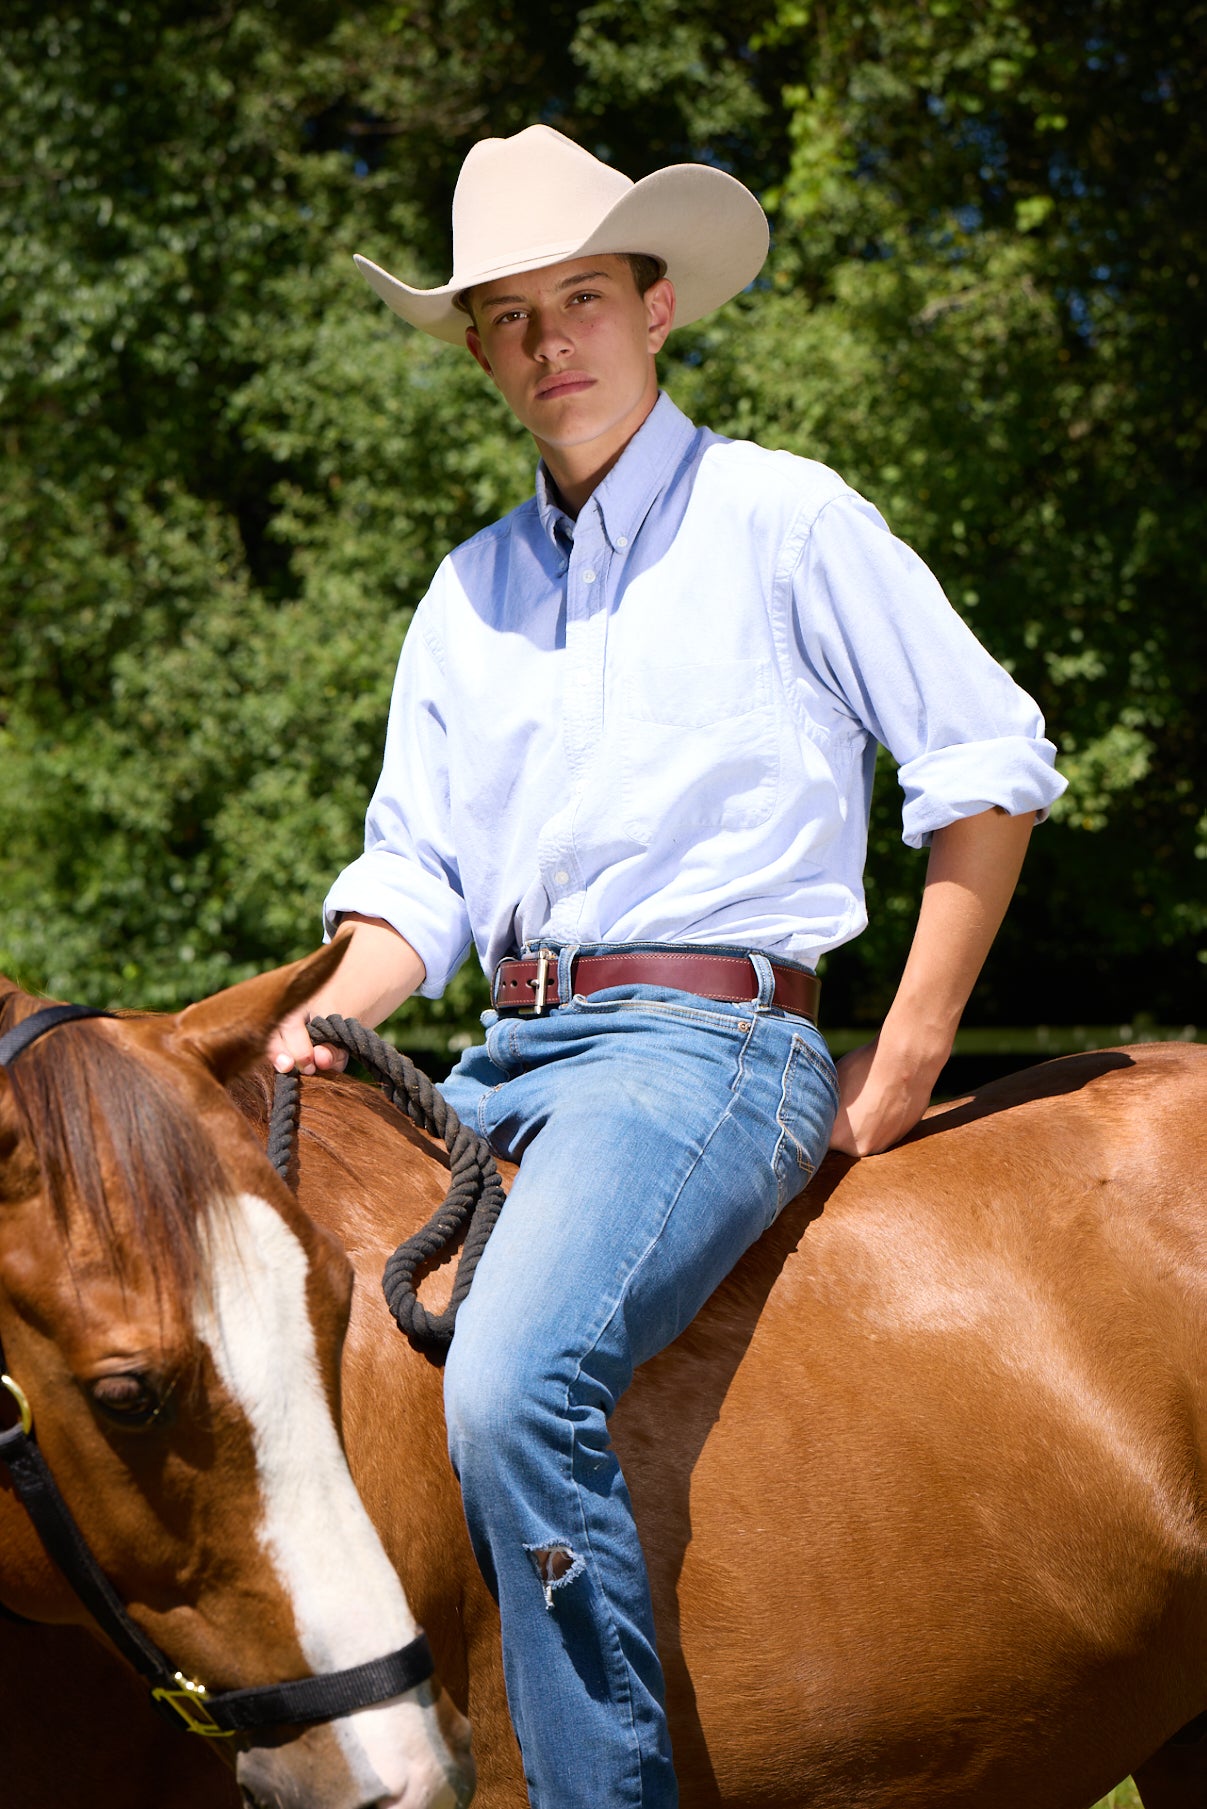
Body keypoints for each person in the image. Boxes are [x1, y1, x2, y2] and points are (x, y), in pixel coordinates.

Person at [269, 125, 1065, 1807]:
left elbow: (986, 763)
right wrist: (323, 1009)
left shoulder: (783, 518)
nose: (549, 342)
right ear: (482, 350)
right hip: (500, 1051)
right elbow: (417, 877)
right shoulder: (467, 591)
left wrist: (911, 1054)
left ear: (656, 307)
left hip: (706, 1053)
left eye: (581, 299)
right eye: (508, 316)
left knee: (509, 1373)